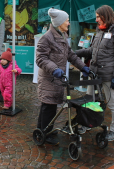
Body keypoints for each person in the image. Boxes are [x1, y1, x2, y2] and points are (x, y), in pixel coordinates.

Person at [35, 8, 90, 145]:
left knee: (50, 106)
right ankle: (44, 133)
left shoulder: (63, 36)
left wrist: (83, 67)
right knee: (48, 106)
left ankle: (44, 129)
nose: (69, 23)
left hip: (57, 79)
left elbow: (70, 54)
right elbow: (40, 58)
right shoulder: (47, 38)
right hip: (50, 78)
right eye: (67, 20)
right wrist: (54, 69)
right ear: (59, 22)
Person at [75, 5, 114, 141]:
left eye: (99, 17)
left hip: (109, 76)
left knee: (113, 104)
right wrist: (74, 53)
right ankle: (88, 123)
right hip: (95, 74)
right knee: (89, 99)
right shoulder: (100, 31)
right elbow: (91, 51)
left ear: (106, 16)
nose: (96, 19)